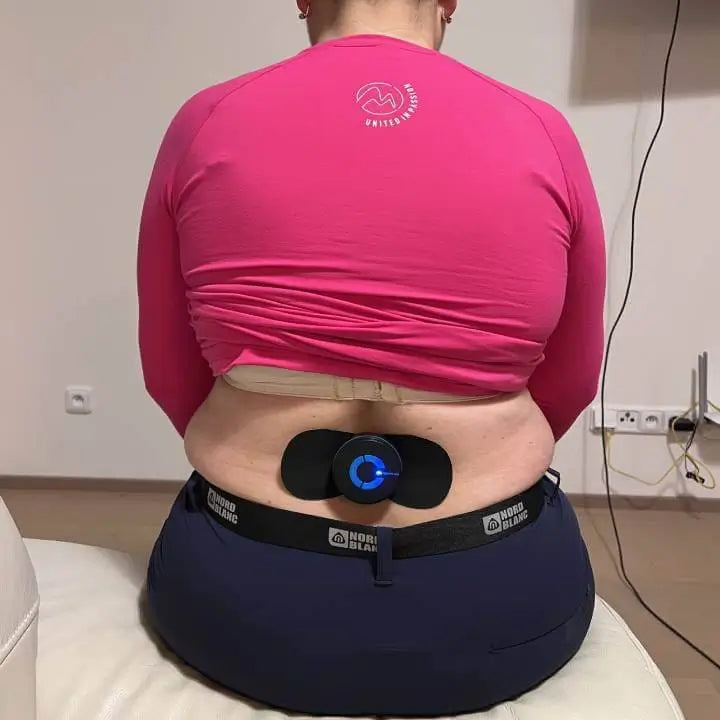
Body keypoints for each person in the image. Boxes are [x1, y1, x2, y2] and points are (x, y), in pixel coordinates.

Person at [138, 0, 606, 715]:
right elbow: (572, 378)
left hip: (244, 595)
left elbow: (168, 371)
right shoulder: (541, 130)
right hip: (501, 598)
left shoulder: (205, 120)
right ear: (449, 1)